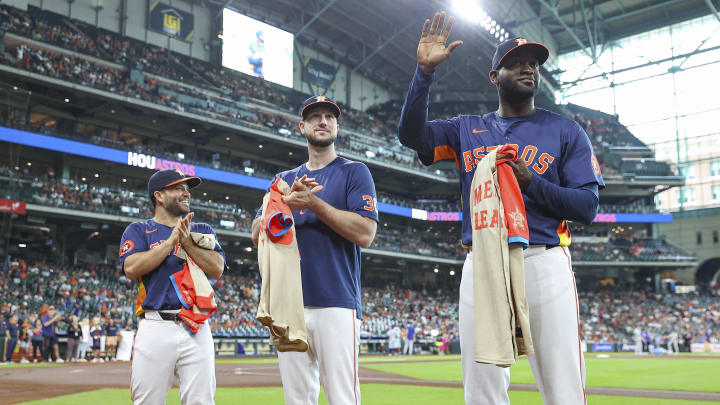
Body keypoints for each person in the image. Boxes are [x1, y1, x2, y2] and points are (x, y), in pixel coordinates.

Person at [398, 12, 604, 405]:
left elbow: (588, 207)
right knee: (481, 389)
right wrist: (423, 72)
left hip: (544, 260)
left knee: (563, 387)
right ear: (495, 75)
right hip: (483, 261)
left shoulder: (565, 130)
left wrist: (535, 184)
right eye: (516, 61)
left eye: (533, 63)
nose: (527, 67)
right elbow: (412, 135)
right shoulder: (465, 127)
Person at [251, 95, 378, 405]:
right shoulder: (283, 180)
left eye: (329, 117)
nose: (323, 121)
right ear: (301, 126)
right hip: (288, 304)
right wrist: (284, 205)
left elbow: (366, 232)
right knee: (296, 399)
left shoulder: (354, 172)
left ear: (337, 125)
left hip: (336, 301)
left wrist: (312, 203)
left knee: (342, 396)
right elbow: (256, 234)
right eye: (315, 116)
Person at [119, 169, 226, 404]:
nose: (186, 192)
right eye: (178, 188)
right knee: (147, 400)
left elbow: (217, 268)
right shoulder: (138, 230)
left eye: (187, 188)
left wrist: (187, 242)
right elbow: (131, 268)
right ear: (159, 195)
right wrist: (170, 243)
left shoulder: (202, 230)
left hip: (196, 326)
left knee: (201, 400)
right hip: (155, 325)